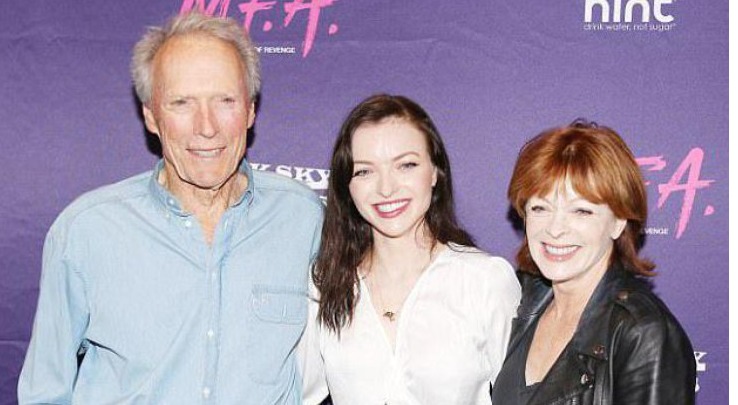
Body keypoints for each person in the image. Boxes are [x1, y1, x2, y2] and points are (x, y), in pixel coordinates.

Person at [18, 12, 322, 404]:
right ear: (151, 116)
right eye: (182, 103)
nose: (206, 126)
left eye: (225, 101)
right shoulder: (86, 231)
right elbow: (45, 392)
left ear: (250, 110)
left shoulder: (303, 218)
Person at [300, 94, 521, 405]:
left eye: (406, 165)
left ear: (435, 172)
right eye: (364, 171)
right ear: (346, 186)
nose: (386, 188)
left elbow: (520, 397)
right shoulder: (325, 283)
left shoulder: (484, 280)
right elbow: (295, 394)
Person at [492, 120, 696, 404]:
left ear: (618, 222)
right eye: (540, 208)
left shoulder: (644, 333)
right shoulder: (523, 300)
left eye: (581, 211)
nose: (555, 229)